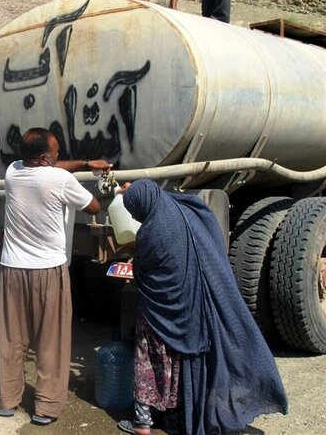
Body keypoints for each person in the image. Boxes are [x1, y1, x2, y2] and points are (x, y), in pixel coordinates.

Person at [116, 180, 287, 435]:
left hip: (157, 313)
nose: (134, 217)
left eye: (134, 211)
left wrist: (134, 258)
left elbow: (143, 273)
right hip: (187, 310)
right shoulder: (181, 210)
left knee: (147, 364)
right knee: (174, 366)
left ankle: (143, 423)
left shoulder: (151, 232)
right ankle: (173, 419)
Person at [0, 127, 112, 425]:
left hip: (12, 269)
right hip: (48, 270)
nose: (60, 154)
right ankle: (45, 408)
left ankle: (8, 401)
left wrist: (86, 164)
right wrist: (101, 181)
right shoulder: (61, 180)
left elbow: (50, 169)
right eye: (57, 151)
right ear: (45, 157)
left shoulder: (12, 172)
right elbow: (93, 206)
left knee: (12, 339)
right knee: (51, 342)